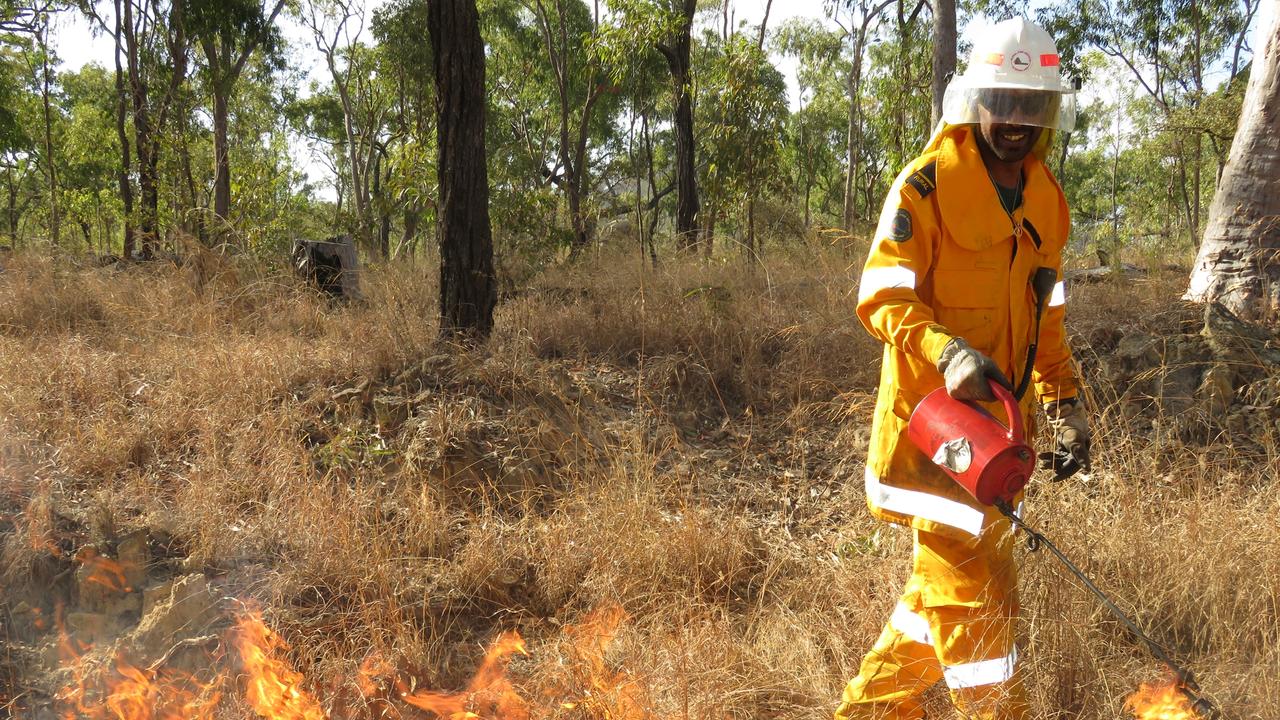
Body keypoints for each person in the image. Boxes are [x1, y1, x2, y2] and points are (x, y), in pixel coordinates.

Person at [835, 17, 1091, 720]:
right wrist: (948, 353)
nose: (1014, 120)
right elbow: (881, 295)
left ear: (1049, 112)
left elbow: (1050, 314)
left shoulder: (1046, 200)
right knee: (977, 611)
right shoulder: (924, 188)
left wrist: (1066, 403)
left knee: (939, 602)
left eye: (1031, 104)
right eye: (1002, 101)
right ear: (974, 99)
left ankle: (867, 713)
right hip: (936, 440)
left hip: (999, 445)